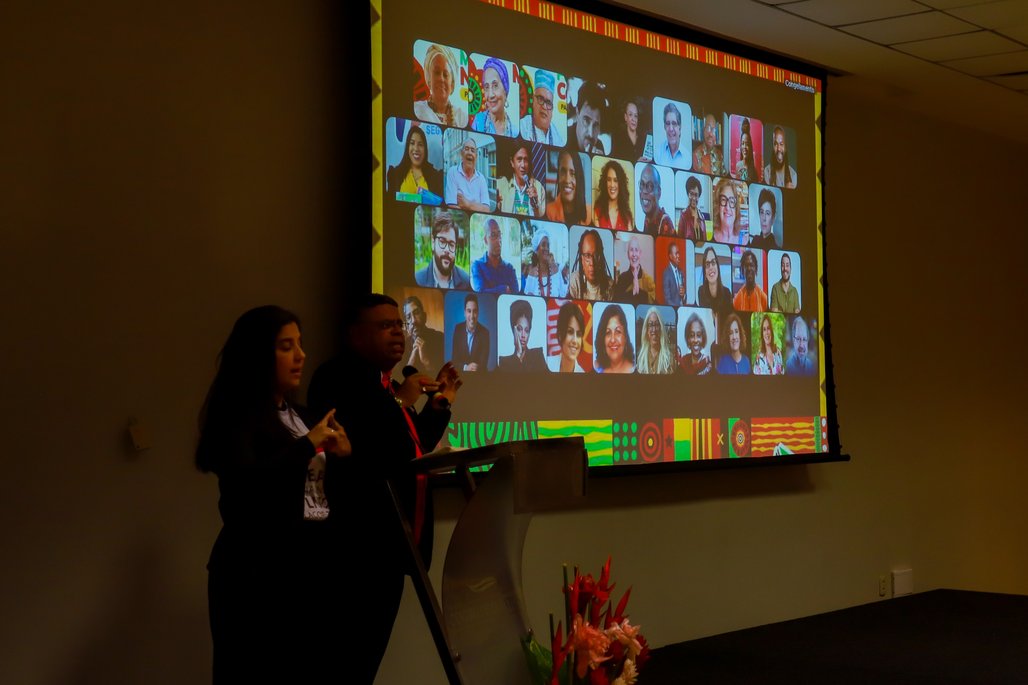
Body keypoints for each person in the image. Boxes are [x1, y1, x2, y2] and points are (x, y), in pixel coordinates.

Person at [307, 293, 461, 685]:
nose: (398, 331)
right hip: (356, 551)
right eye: (386, 325)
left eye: (399, 324)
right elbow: (364, 452)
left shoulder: (387, 385)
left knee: (364, 664)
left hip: (393, 547)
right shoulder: (338, 378)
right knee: (344, 665)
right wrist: (400, 400)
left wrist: (439, 402)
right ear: (356, 336)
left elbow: (409, 450)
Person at [196, 305, 352, 683]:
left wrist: (344, 456)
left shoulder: (301, 414)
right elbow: (245, 489)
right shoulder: (237, 415)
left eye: (300, 344)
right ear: (258, 353)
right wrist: (307, 446)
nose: (301, 356)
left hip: (306, 571)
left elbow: (316, 492)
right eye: (286, 346)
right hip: (255, 575)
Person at [414, 44, 468, 128]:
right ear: (428, 80)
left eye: (445, 74)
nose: (441, 79)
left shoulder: (462, 117)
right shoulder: (417, 110)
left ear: (452, 84)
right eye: (436, 73)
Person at [415, 212, 471, 290]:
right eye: (442, 241)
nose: (447, 250)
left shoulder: (467, 281)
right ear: (433, 242)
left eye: (451, 244)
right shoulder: (418, 279)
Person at [387, 125, 443, 202]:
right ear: (407, 146)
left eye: (420, 144)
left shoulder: (436, 177)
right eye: (412, 143)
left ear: (425, 149)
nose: (416, 149)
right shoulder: (395, 174)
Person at [471, 218, 519, 293]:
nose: (498, 240)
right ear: (485, 240)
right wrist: (503, 289)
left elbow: (515, 294)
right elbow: (480, 292)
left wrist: (490, 290)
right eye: (493, 235)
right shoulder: (477, 265)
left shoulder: (509, 268)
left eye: (499, 235)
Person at [497, 141, 545, 216]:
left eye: (526, 160)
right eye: (519, 159)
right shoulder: (501, 185)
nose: (523, 165)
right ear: (512, 162)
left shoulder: (539, 187)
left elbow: (541, 219)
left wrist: (535, 206)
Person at [498, 299, 547, 371]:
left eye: (527, 330)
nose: (523, 335)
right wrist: (518, 354)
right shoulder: (504, 362)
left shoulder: (537, 355)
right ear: (513, 330)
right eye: (519, 329)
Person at [445, 137, 491, 212]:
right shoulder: (452, 172)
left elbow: (486, 209)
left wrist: (468, 204)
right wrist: (477, 206)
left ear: (476, 156)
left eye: (472, 150)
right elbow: (451, 206)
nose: (469, 152)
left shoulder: (481, 178)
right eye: (466, 149)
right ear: (461, 153)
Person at [472, 57, 515, 136]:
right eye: (487, 87)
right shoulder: (478, 122)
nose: (491, 95)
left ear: (505, 90)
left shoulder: (515, 131)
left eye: (495, 86)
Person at [521, 70, 564, 146]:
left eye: (548, 103)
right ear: (533, 100)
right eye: (540, 99)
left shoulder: (557, 137)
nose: (544, 106)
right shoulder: (523, 126)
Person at [546, 150, 589, 225]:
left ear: (579, 178)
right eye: (563, 172)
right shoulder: (548, 211)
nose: (567, 180)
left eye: (573, 173)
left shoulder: (590, 213)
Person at [523, 225, 568, 297]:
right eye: (543, 245)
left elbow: (563, 295)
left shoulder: (555, 269)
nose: (546, 248)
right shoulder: (532, 274)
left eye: (548, 245)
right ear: (536, 250)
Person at [568, 228, 613, 300]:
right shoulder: (574, 282)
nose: (592, 263)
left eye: (596, 255)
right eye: (587, 256)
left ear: (601, 257)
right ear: (582, 259)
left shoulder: (610, 286)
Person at [404, 295, 444, 374]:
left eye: (416, 313)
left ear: (424, 316)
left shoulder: (440, 338)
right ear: (406, 324)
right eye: (408, 317)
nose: (413, 321)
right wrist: (411, 359)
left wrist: (426, 361)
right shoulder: (403, 346)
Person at [451, 292, 490, 372]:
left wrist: (477, 368)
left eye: (474, 311)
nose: (472, 316)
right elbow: (454, 361)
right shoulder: (458, 329)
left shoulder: (485, 333)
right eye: (469, 311)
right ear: (464, 312)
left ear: (478, 313)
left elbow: (483, 364)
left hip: (479, 377)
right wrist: (466, 368)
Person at [614, 234, 655, 304]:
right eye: (631, 250)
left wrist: (640, 292)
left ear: (640, 253)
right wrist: (631, 292)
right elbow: (616, 302)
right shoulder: (622, 279)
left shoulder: (648, 280)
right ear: (627, 254)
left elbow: (654, 302)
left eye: (636, 250)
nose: (634, 254)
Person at [697, 246, 733, 324]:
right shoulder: (701, 291)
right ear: (704, 272)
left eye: (713, 263)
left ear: (717, 267)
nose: (711, 267)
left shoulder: (727, 293)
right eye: (707, 264)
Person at [592, 160, 632, 230]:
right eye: (609, 180)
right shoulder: (598, 210)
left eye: (616, 180)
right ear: (605, 182)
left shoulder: (627, 215)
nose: (612, 185)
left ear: (621, 184)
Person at [547, 302, 586, 373]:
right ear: (560, 335)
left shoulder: (584, 375)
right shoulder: (547, 364)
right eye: (570, 332)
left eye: (579, 334)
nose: (575, 340)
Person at [595, 305, 635, 373]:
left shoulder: (635, 369)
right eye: (608, 333)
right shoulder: (595, 368)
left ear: (625, 337)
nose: (613, 340)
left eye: (618, 332)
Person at [636, 307, 674, 374]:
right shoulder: (640, 361)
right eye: (650, 325)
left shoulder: (669, 360)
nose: (654, 330)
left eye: (657, 325)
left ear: (661, 328)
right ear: (647, 330)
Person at [639, 163, 675, 235]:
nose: (644, 191)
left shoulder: (665, 223)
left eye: (650, 186)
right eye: (642, 184)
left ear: (658, 192)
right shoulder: (647, 218)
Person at [572, 80, 607, 155]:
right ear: (577, 113)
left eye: (596, 125)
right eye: (586, 121)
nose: (591, 134)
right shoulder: (562, 140)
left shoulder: (599, 146)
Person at [654, 101, 686, 168]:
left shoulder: (688, 158)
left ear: (679, 128)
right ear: (664, 127)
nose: (671, 129)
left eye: (674, 123)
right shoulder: (657, 153)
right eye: (668, 123)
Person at [712, 177, 743, 245]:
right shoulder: (710, 236)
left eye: (731, 201)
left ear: (736, 208)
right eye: (723, 200)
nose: (727, 207)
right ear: (717, 206)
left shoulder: (744, 240)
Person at [677, 175, 706, 240]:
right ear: (688, 194)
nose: (694, 198)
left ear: (699, 196)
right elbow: (679, 241)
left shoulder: (702, 217)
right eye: (691, 194)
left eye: (696, 195)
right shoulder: (683, 216)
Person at [734, 117, 761, 182]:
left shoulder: (753, 169)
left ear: (750, 147)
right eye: (742, 143)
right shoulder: (738, 166)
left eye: (747, 144)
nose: (744, 147)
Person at [661, 240, 685, 307]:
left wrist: (684, 295)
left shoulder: (681, 272)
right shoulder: (666, 274)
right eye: (676, 253)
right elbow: (667, 300)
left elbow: (684, 298)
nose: (678, 256)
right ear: (670, 256)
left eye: (679, 253)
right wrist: (677, 308)